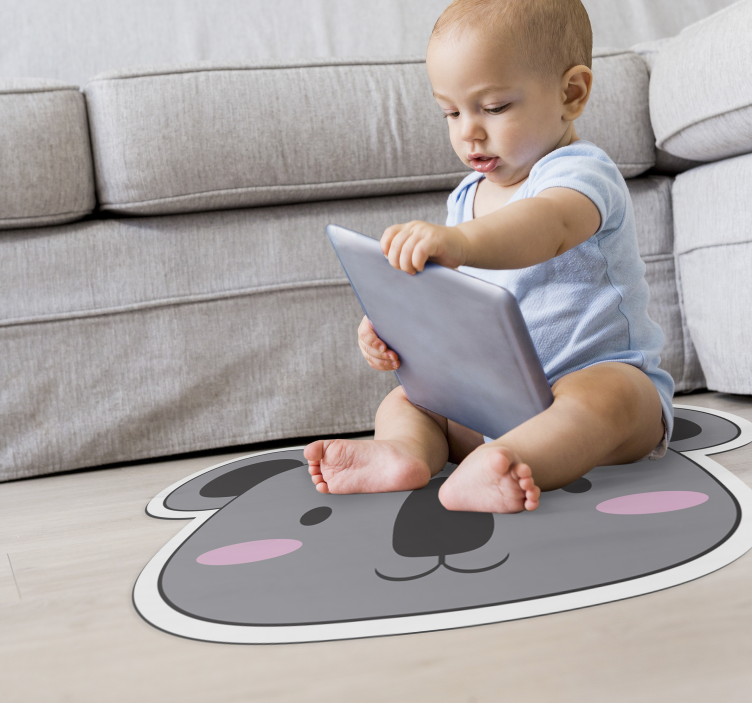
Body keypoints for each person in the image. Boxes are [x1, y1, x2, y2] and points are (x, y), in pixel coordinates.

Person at [305, 0, 674, 513]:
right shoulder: (464, 199)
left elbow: (547, 227)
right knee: (410, 401)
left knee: (613, 398)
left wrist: (458, 243)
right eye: (452, 112)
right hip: (493, 396)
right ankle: (405, 453)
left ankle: (512, 460)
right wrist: (394, 327)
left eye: (494, 108)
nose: (468, 132)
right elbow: (450, 301)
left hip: (590, 377)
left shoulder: (581, 173)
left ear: (571, 93)